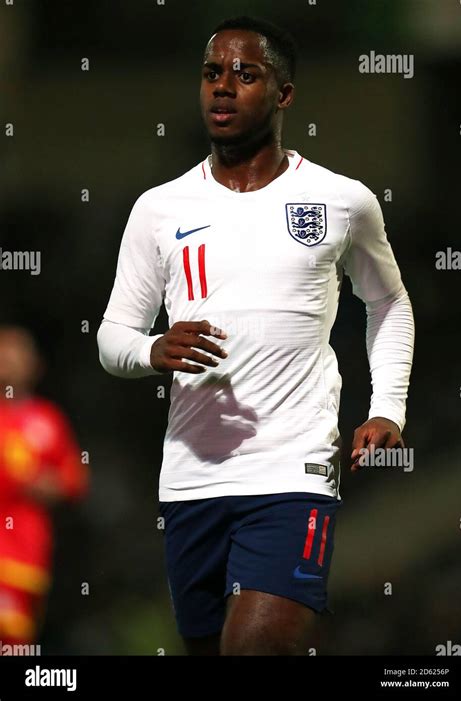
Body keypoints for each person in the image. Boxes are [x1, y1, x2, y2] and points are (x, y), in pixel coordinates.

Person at [97, 15, 414, 656]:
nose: (223, 87)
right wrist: (151, 349)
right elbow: (112, 335)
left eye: (245, 74)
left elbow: (389, 303)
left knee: (258, 649)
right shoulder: (160, 208)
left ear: (284, 93)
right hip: (191, 481)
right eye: (213, 73)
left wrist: (387, 409)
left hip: (293, 472)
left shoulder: (341, 200)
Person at [0, 327, 88, 648]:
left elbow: (74, 479)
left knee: (15, 642)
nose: (7, 363)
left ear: (34, 365)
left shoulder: (47, 419)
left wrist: (46, 484)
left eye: (16, 355)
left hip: (26, 552)